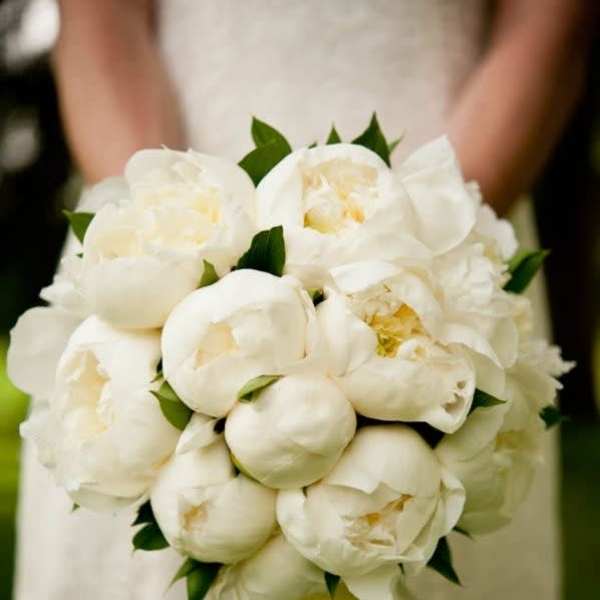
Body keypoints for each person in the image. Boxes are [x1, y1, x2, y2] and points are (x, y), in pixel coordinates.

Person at [14, 1, 593, 599]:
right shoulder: (162, 240)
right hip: (172, 205)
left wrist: (434, 243)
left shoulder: (447, 241)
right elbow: (100, 24)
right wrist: (167, 262)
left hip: (459, 196)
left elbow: (549, 25)